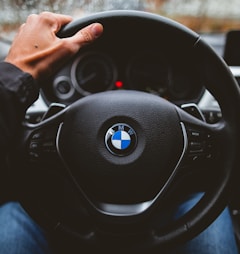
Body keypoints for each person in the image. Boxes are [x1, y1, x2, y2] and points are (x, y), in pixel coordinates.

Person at [0, 12, 238, 254]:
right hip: (167, 210)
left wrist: (17, 74)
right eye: (91, 76)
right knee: (208, 211)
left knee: (14, 212)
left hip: (63, 210)